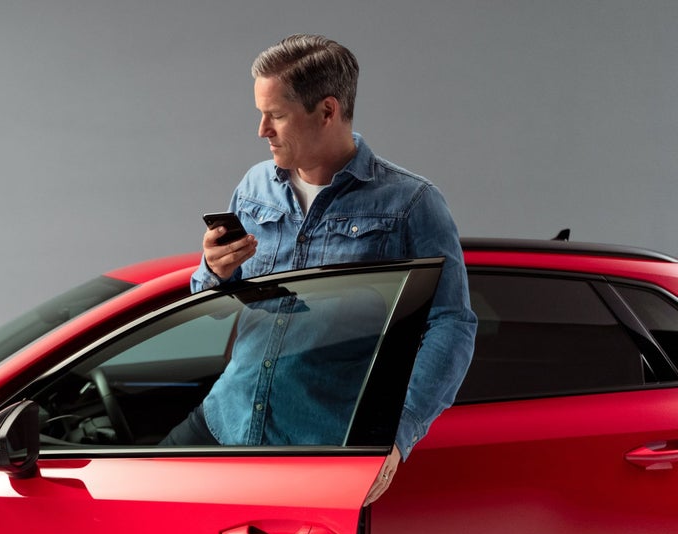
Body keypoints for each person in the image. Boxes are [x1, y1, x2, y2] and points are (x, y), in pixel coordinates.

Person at [161, 34, 477, 506]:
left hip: (314, 448)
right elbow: (215, 305)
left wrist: (396, 436)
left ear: (327, 111)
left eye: (277, 115)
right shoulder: (253, 188)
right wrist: (213, 271)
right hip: (226, 420)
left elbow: (452, 326)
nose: (262, 130)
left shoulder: (410, 204)